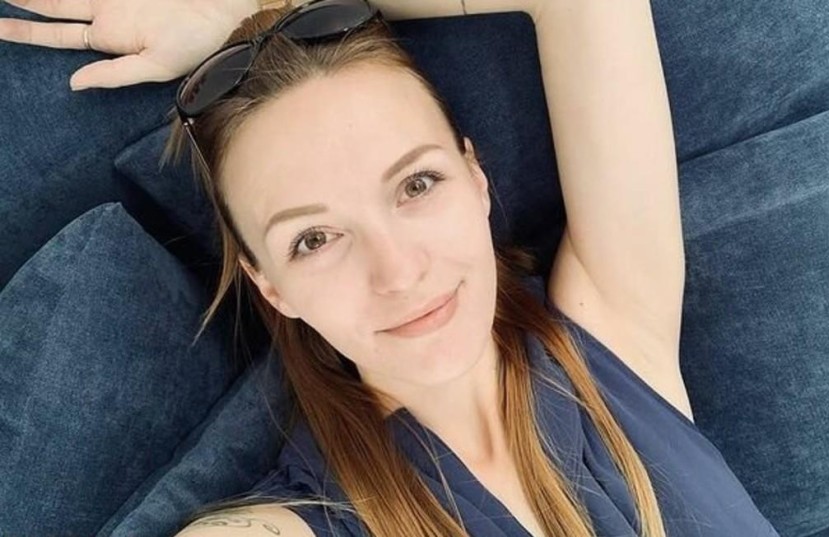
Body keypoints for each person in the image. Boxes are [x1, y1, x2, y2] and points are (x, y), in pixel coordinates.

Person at [0, 1, 783, 536]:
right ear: (271, 285)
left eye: (416, 184)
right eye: (314, 239)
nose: (398, 271)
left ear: (475, 179)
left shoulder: (615, 329)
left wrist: (253, 9)